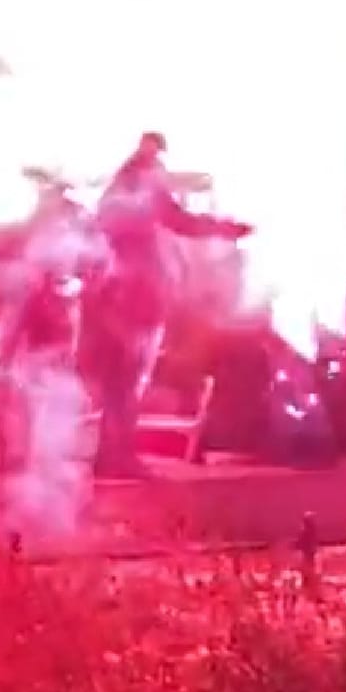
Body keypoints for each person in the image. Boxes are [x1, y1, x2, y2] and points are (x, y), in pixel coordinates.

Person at [86, 133, 251, 478]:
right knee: (127, 381)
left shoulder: (114, 196)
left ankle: (109, 454)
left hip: (120, 297)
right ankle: (118, 457)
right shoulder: (141, 189)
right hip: (134, 300)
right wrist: (224, 229)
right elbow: (180, 221)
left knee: (120, 382)